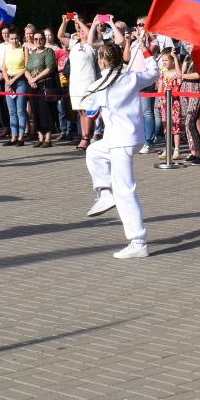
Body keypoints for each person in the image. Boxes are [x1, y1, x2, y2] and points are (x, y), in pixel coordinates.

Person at [80, 26, 160, 259]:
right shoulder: (130, 78)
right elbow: (154, 71)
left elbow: (89, 112)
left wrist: (89, 103)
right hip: (131, 138)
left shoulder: (100, 84)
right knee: (93, 152)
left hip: (120, 142)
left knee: (125, 190)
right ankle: (105, 192)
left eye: (99, 58)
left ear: (103, 61)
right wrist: (144, 48)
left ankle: (138, 241)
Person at [65, 17, 98, 150]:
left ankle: (86, 138)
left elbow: (88, 33)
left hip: (88, 81)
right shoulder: (75, 44)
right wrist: (64, 22)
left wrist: (79, 21)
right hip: (75, 82)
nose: (82, 31)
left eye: (84, 30)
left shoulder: (92, 44)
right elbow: (60, 35)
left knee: (88, 110)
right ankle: (84, 136)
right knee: (81, 111)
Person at [25, 30, 59, 148]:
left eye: (41, 39)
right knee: (35, 111)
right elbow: (27, 70)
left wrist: (35, 79)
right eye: (36, 39)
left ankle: (48, 138)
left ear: (44, 39)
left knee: (47, 112)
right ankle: (40, 137)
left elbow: (49, 68)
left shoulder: (48, 51)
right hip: (33, 87)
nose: (38, 41)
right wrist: (30, 80)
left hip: (45, 86)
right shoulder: (33, 53)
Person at [0, 27, 29, 146]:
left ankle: (21, 137)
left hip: (20, 80)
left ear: (19, 38)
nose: (14, 40)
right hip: (9, 82)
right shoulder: (7, 50)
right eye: (12, 38)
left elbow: (26, 67)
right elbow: (4, 68)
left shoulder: (23, 49)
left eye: (16, 38)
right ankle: (14, 136)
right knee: (11, 111)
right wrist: (7, 81)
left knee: (20, 110)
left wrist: (14, 79)